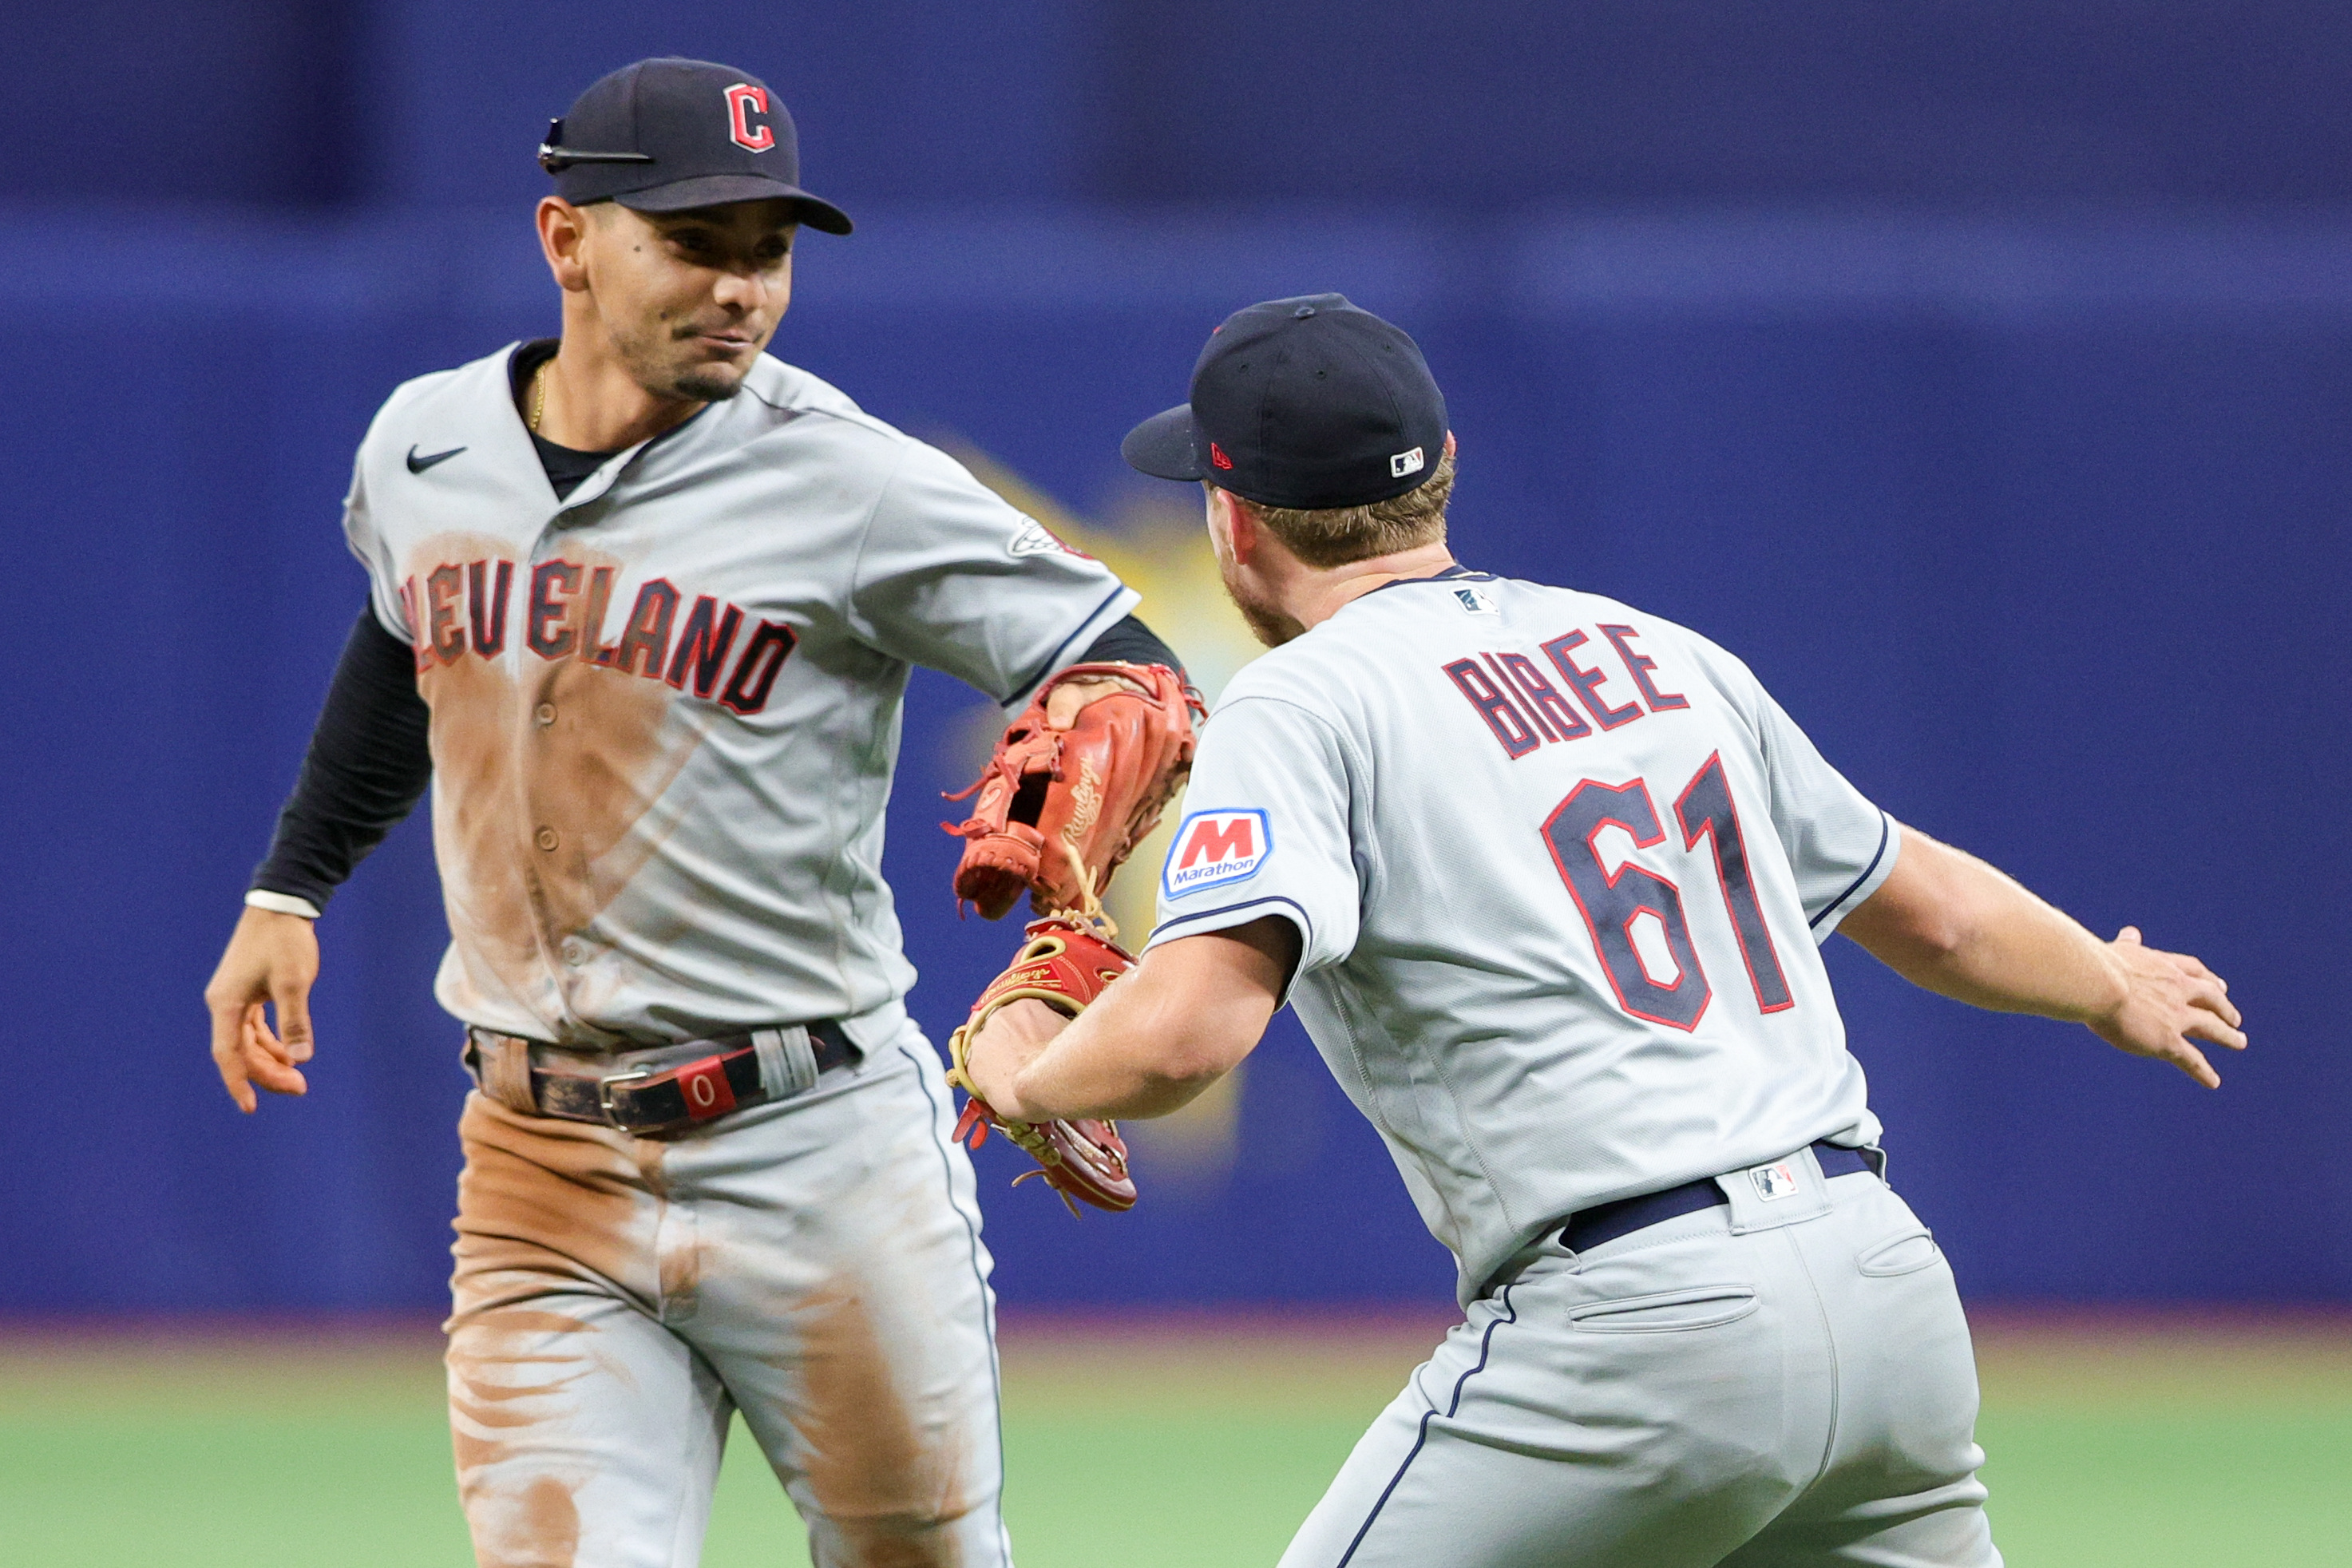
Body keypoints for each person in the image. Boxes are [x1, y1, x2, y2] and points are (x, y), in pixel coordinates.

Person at [959, 294, 2245, 1567]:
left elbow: (1186, 1037)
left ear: (1231, 522)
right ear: (1443, 472)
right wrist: (2103, 983)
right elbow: (1938, 914)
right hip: (1881, 1283)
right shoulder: (1656, 649)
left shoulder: (1299, 700)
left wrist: (1030, 1073)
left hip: (1638, 1326)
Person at [201, 57, 1189, 1568]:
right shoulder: (423, 442)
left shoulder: (847, 478)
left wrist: (1073, 894)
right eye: (694, 243)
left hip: (821, 1150)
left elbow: (1126, 665)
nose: (741, 289)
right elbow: (410, 642)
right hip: (537, 1167)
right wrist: (291, 889)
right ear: (567, 238)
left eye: (767, 252)